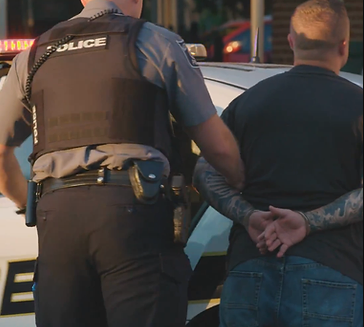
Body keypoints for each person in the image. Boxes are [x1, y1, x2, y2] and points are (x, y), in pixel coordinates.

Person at [0, 0, 245, 326]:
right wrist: (249, 192)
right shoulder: (156, 42)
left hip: (57, 220)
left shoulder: (34, 55)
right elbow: (220, 149)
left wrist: (27, 204)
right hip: (132, 216)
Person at [194, 1, 363, 327]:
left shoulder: (248, 101)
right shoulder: (358, 105)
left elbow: (205, 173)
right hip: (332, 276)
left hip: (249, 271)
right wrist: (307, 222)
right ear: (344, 45)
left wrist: (250, 216)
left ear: (290, 42)